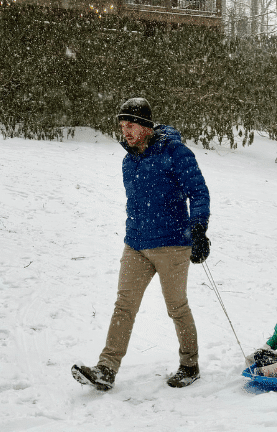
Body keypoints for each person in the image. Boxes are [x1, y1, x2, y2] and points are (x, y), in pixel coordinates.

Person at [71, 98, 211, 391]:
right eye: (122, 126)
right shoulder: (128, 161)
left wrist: (198, 229)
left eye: (131, 125)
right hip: (135, 244)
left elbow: (198, 193)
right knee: (124, 306)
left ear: (146, 126)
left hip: (172, 244)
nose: (126, 131)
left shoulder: (175, 152)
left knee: (176, 307)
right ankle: (106, 369)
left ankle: (189, 364)